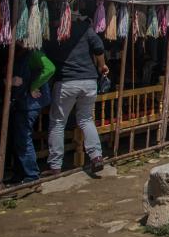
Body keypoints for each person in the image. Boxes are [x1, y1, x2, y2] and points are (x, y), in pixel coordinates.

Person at [46, 11, 108, 175]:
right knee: (86, 119)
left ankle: (55, 166)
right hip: (88, 81)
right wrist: (102, 65)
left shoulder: (55, 31)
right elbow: (98, 46)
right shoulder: (84, 28)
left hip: (66, 81)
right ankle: (96, 156)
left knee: (58, 122)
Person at [7, 46, 54, 184]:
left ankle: (31, 175)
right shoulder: (23, 53)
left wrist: (34, 86)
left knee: (23, 138)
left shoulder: (34, 53)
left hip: (29, 103)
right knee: (18, 138)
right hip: (22, 102)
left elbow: (50, 69)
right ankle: (20, 173)